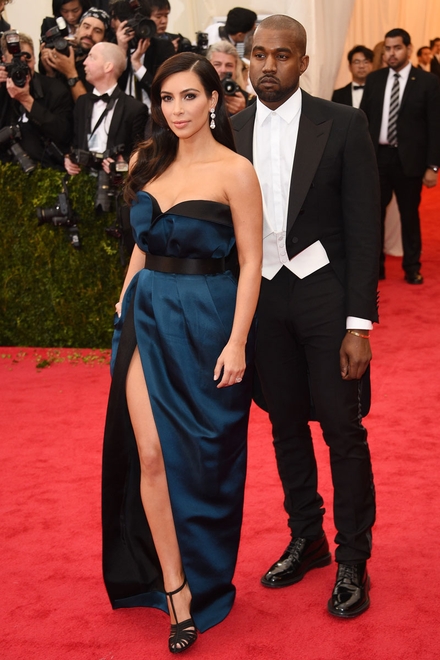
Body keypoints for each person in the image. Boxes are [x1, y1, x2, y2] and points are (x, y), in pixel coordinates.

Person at [101, 52, 262, 652]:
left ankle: (206, 571)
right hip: (146, 317)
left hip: (206, 317)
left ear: (214, 98)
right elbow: (142, 244)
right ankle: (175, 590)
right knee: (148, 455)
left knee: (203, 459)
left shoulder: (235, 171)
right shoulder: (149, 158)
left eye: (189, 96)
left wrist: (238, 339)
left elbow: (251, 264)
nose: (177, 110)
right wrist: (123, 303)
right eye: (167, 99)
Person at [232, 14, 380, 619]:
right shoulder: (232, 127)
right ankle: (308, 537)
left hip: (324, 293)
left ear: (303, 62)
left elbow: (364, 227)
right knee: (285, 423)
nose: (269, 65)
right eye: (259, 55)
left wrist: (359, 324)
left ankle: (353, 557)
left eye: (282, 56)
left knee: (342, 430)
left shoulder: (343, 123)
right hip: (264, 298)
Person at [361, 28, 440, 283]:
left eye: (396, 48)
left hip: (410, 160)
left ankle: (411, 267)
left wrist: (433, 166)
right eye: (387, 48)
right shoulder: (374, 79)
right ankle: (377, 267)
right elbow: (364, 120)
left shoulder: (428, 82)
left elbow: (435, 127)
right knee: (375, 215)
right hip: (378, 158)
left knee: (409, 214)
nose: (391, 53)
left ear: (408, 48)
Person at [0, 31, 73, 169]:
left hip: (46, 171)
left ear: (34, 59)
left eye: (27, 61)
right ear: (4, 61)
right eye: (14, 62)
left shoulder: (55, 89)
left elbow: (64, 134)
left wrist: (27, 100)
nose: (23, 68)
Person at [109, 0, 174, 107]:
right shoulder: (111, 47)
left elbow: (164, 93)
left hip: (154, 115)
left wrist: (137, 64)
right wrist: (121, 52)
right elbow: (112, 89)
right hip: (125, 117)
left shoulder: (163, 47)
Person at [40, 7, 110, 101]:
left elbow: (87, 109)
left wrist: (70, 72)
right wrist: (50, 73)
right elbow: (51, 103)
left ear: (104, 39)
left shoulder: (103, 69)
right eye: (86, 27)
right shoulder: (65, 54)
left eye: (97, 31)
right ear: (77, 30)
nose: (89, 33)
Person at [207, 40, 253, 115]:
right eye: (217, 64)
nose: (223, 70)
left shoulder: (250, 101)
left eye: (229, 65)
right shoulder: (198, 95)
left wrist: (244, 112)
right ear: (208, 65)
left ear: (236, 68)